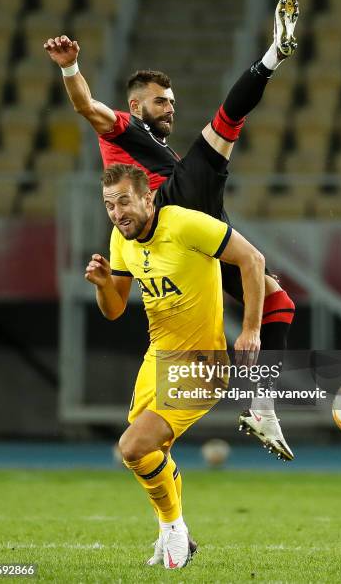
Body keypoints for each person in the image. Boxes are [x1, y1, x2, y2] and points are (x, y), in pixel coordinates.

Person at [46, 0, 299, 460]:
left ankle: (261, 401)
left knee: (278, 303)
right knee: (224, 126)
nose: (170, 108)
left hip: (188, 226)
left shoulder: (167, 153)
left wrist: (249, 330)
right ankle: (273, 56)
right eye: (161, 101)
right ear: (135, 104)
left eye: (172, 101)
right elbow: (86, 107)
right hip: (164, 208)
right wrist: (69, 67)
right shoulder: (122, 126)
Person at [85, 163, 265, 569]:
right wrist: (102, 286)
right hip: (157, 358)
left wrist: (250, 330)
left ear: (148, 198)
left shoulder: (185, 225)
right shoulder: (121, 239)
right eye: (109, 205)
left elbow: (252, 259)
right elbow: (113, 310)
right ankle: (173, 534)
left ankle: (175, 531)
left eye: (124, 202)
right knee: (146, 454)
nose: (116, 213)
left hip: (202, 364)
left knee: (133, 446)